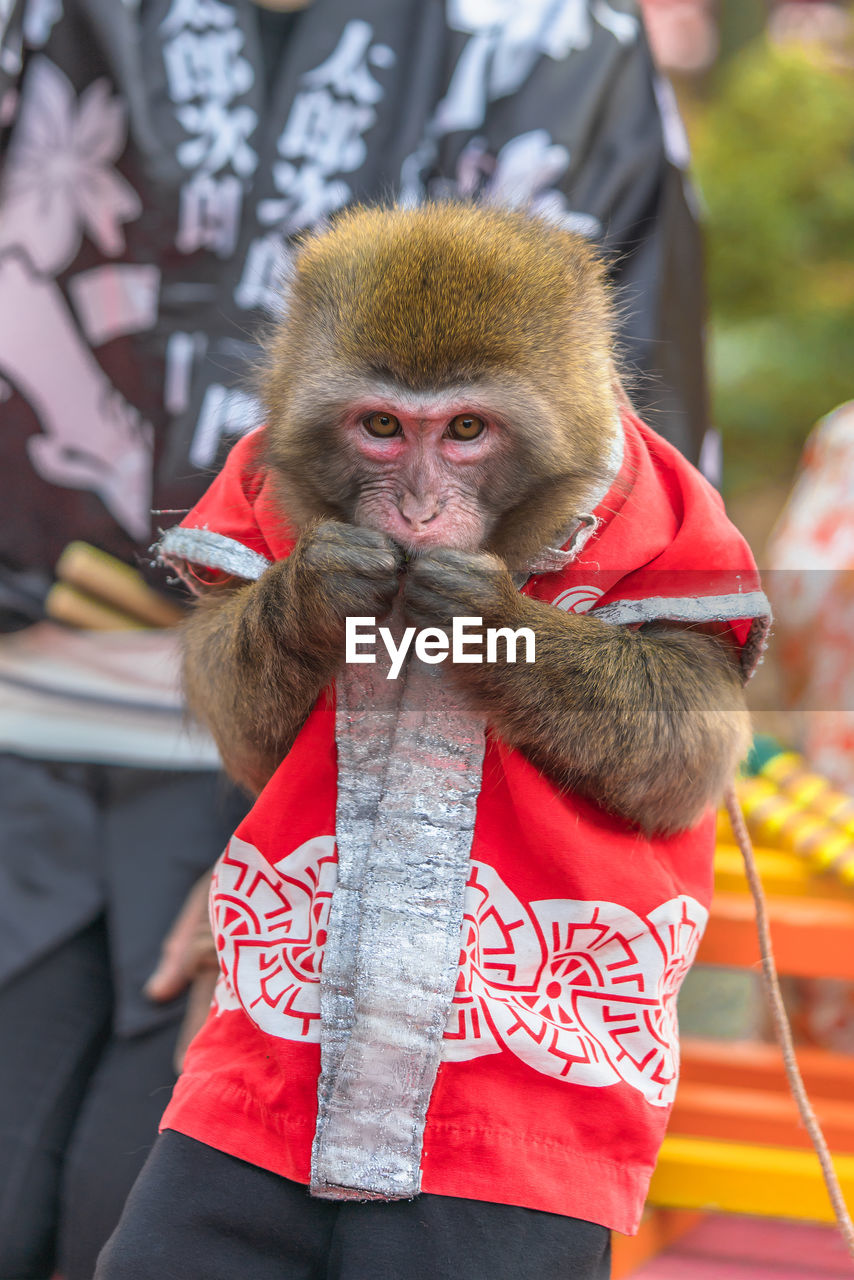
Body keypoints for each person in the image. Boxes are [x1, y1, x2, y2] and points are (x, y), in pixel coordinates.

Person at [0, 1, 710, 1276]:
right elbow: (249, 686)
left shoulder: (565, 42)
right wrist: (287, 619)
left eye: (464, 436)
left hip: (477, 986)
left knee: (118, 1177)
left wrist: (512, 642)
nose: (420, 492)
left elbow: (673, 744)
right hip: (41, 732)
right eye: (380, 432)